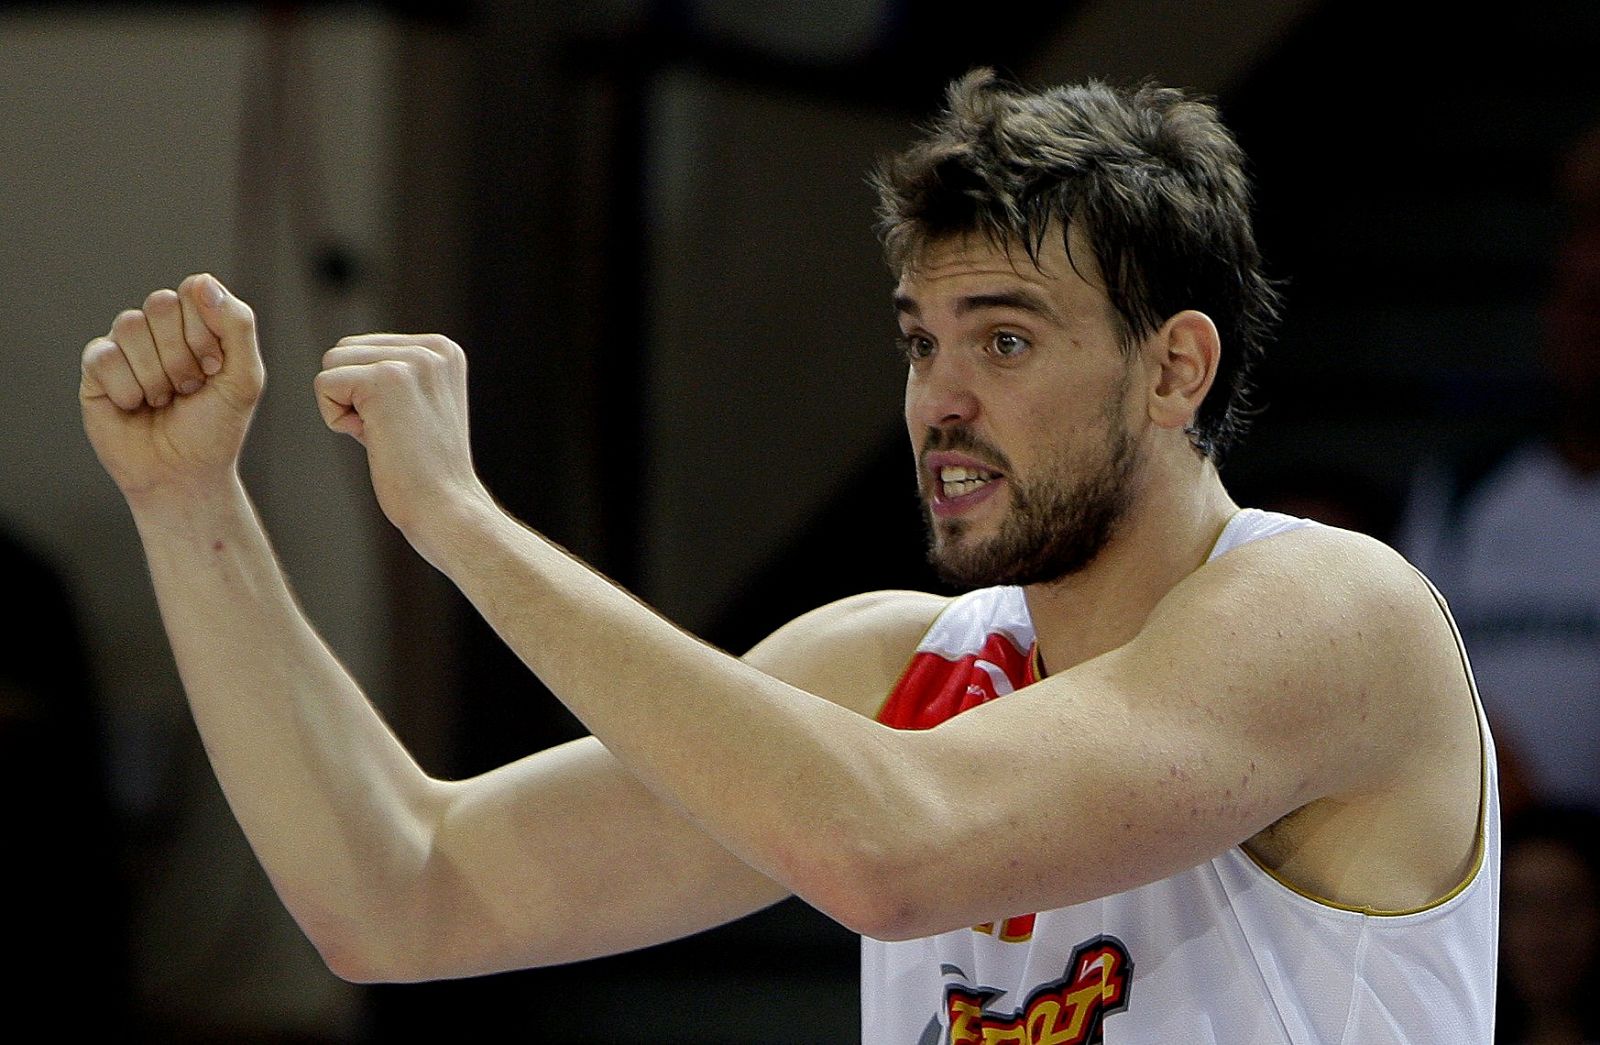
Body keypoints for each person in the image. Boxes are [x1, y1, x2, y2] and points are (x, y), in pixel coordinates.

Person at [79, 70, 1497, 1042]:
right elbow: (400, 887)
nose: (943, 395)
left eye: (1006, 338)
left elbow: (894, 851)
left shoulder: (1329, 609)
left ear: (1176, 366)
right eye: (921, 340)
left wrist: (465, 523)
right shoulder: (890, 669)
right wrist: (189, 508)